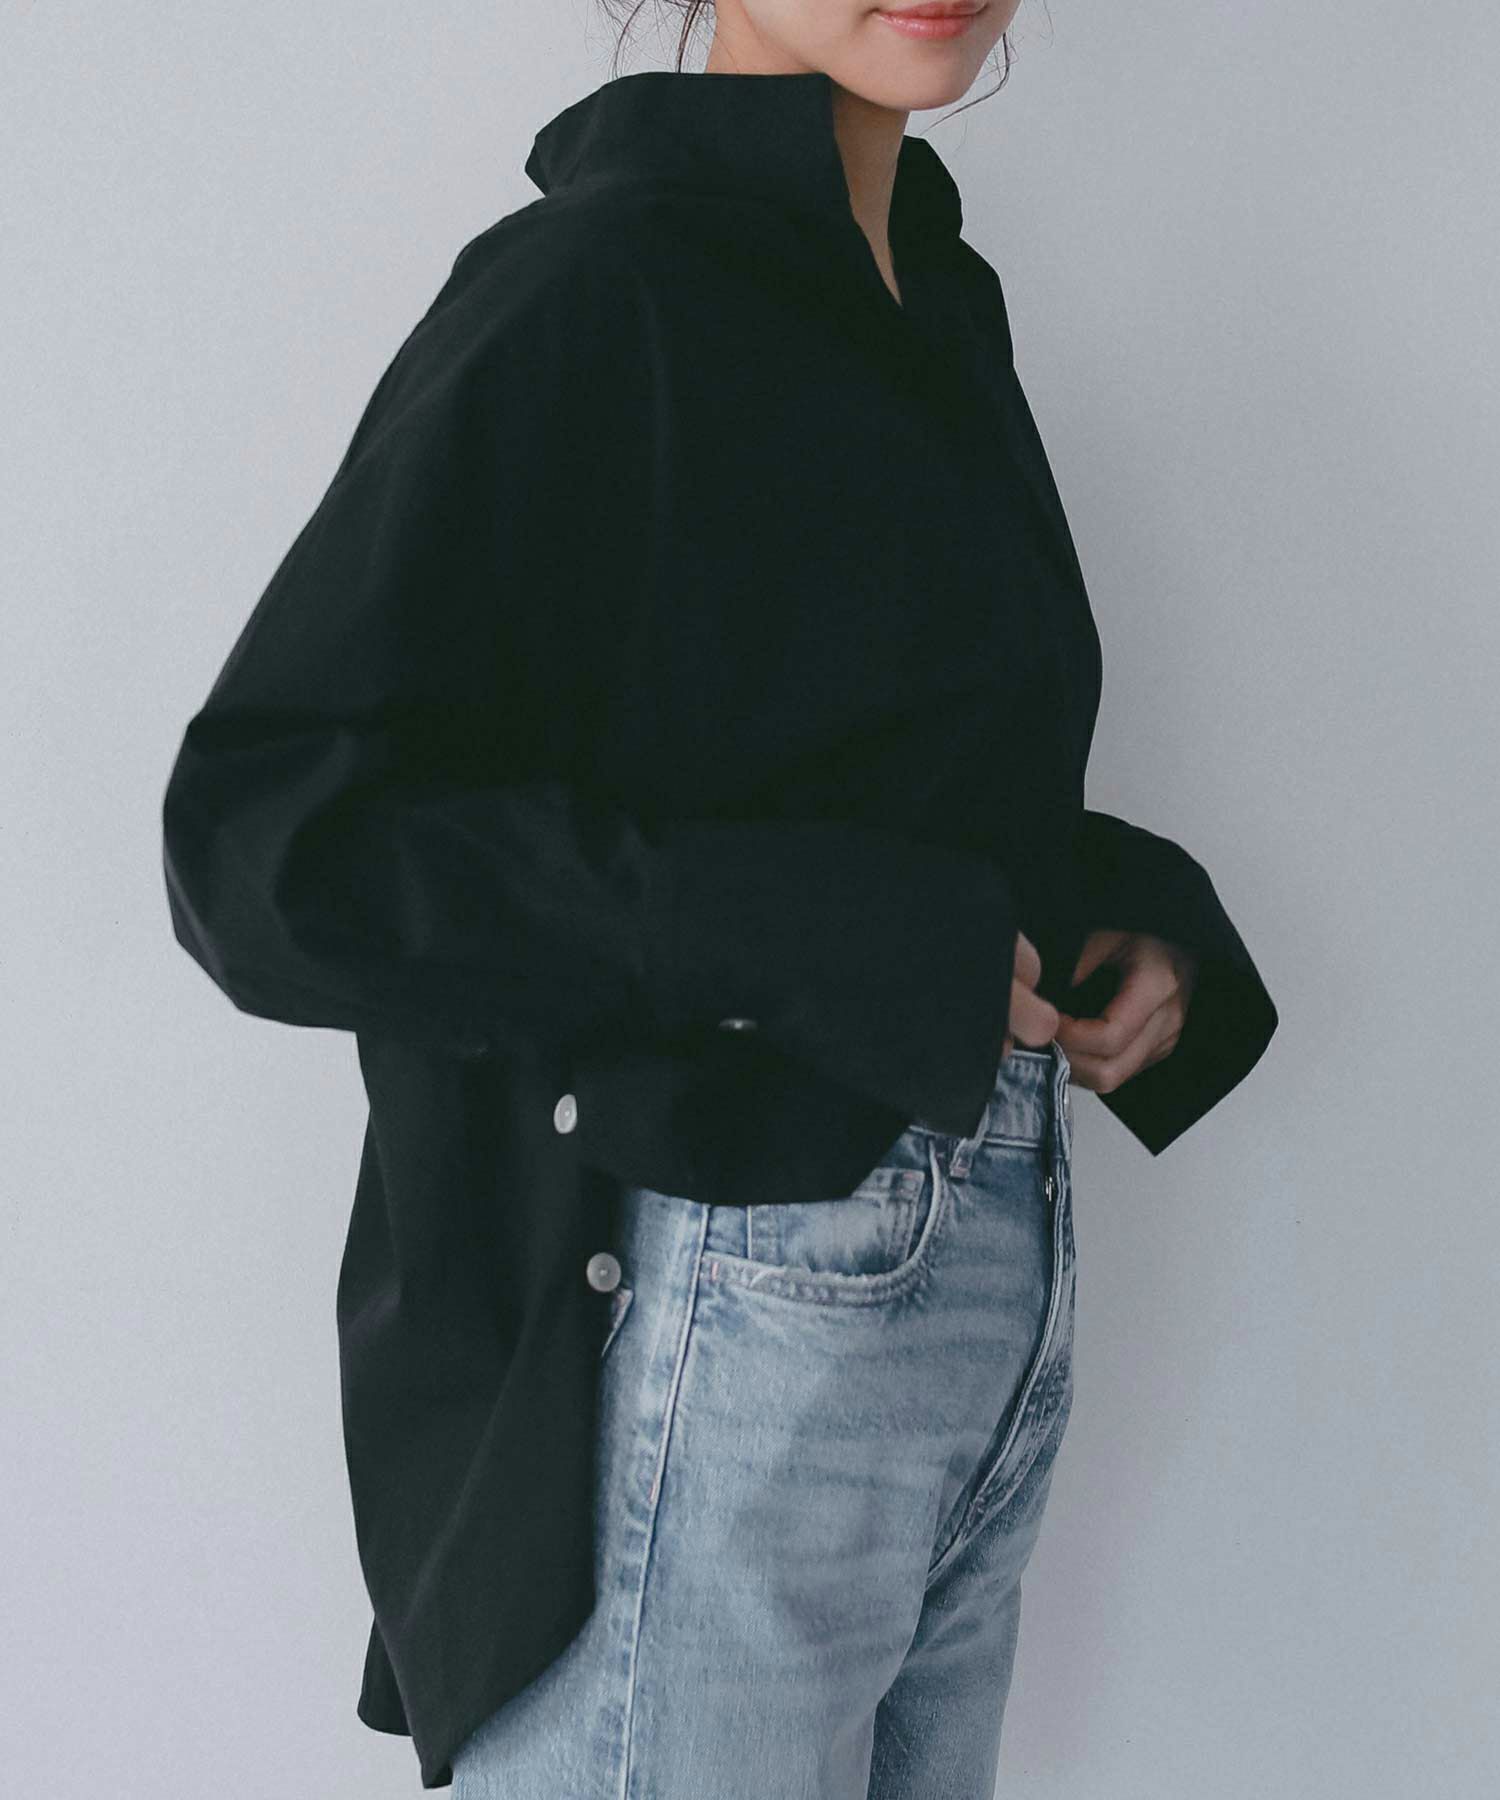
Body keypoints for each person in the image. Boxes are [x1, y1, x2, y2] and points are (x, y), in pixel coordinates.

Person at [161, 3, 1278, 1793]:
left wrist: (1120, 914)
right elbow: (273, 843)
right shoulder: (594, 282)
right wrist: (830, 939)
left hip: (971, 1319)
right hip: (718, 1313)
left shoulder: (932, 296)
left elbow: (827, 778)